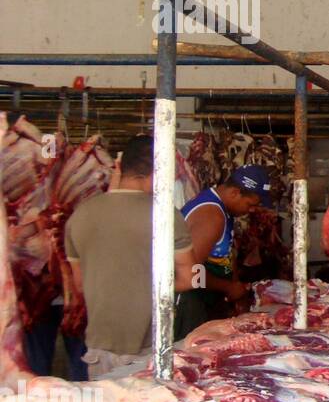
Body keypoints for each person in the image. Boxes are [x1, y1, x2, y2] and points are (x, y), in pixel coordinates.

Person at [64, 134, 197, 379]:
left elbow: (80, 285)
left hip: (98, 348)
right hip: (149, 348)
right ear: (157, 170)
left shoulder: (81, 214)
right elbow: (189, 279)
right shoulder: (166, 215)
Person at [173, 165, 272, 340]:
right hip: (189, 304)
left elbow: (223, 254)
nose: (251, 211)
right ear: (235, 193)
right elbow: (190, 272)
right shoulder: (212, 216)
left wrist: (234, 284)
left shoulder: (223, 210)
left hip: (204, 300)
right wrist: (228, 287)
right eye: (250, 205)